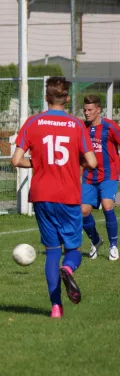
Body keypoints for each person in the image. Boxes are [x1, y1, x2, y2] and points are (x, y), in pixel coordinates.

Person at [12, 76, 96, 318]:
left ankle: (56, 308)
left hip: (41, 194)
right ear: (68, 98)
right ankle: (68, 269)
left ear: (46, 98)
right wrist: (76, 162)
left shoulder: (33, 122)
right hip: (68, 194)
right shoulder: (76, 124)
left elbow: (16, 160)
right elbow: (91, 161)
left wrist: (38, 163)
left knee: (51, 250)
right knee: (72, 250)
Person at [79, 95, 120, 260]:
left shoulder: (110, 126)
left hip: (109, 174)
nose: (87, 113)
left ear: (98, 110)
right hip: (89, 176)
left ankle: (113, 246)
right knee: (83, 211)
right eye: (85, 110)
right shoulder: (82, 127)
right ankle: (95, 240)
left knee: (107, 206)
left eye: (90, 110)